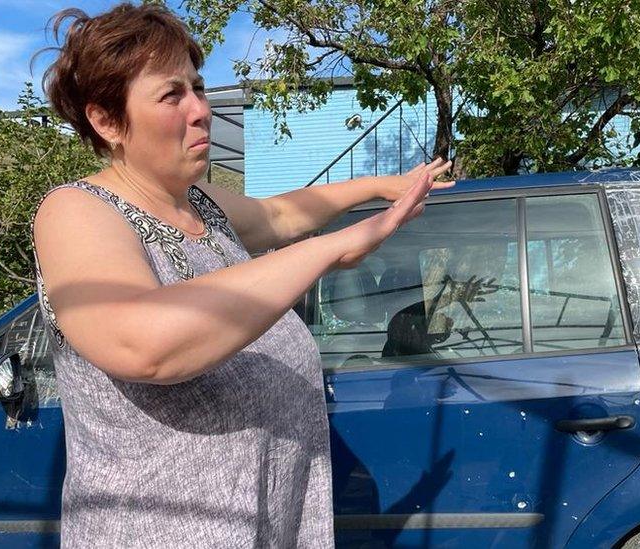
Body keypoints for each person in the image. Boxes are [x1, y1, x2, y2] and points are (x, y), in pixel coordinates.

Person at [29, 3, 454, 546]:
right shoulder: (78, 210)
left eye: (197, 87)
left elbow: (281, 215)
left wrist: (376, 185)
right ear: (107, 121)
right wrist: (334, 249)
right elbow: (142, 344)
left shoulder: (199, 203)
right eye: (171, 95)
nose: (200, 109)